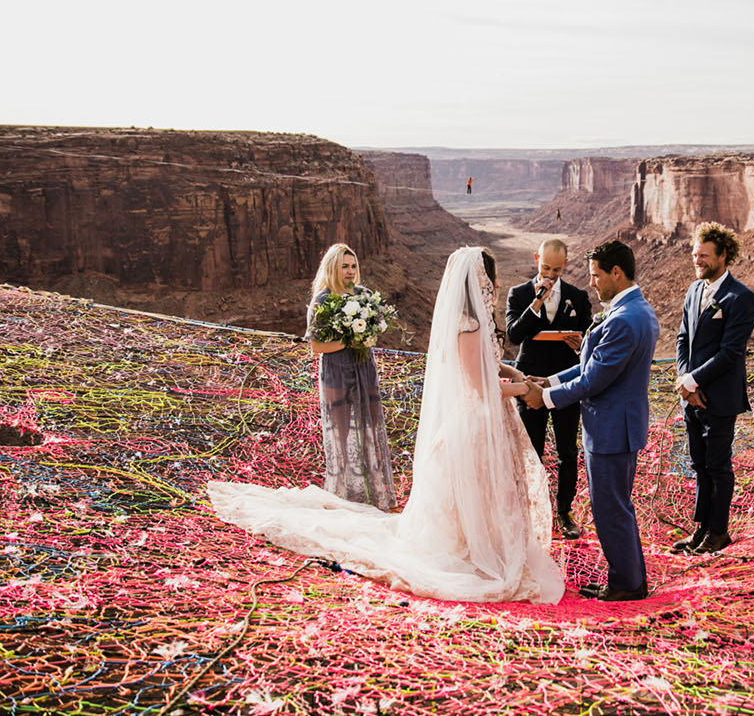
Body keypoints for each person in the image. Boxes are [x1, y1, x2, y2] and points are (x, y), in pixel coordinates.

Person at [208, 247, 564, 604]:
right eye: (492, 277)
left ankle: (486, 545)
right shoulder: (468, 326)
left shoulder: (476, 322)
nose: (496, 283)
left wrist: (515, 373)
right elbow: (478, 386)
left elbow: (489, 366)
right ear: (483, 280)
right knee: (473, 490)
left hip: (485, 418)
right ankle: (475, 549)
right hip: (473, 422)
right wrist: (525, 390)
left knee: (486, 490)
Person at [523, 240, 658, 601]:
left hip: (613, 429)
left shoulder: (626, 320)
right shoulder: (631, 311)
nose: (592, 282)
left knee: (610, 508)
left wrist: (544, 398)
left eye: (597, 275)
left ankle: (627, 584)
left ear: (616, 272)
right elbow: (588, 367)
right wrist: (548, 381)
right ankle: (629, 577)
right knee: (615, 506)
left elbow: (593, 380)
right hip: (615, 426)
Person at [672, 222, 754, 555]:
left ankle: (719, 532)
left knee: (718, 466)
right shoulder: (694, 290)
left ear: (724, 255)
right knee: (699, 465)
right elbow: (682, 339)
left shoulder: (740, 297)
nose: (699, 262)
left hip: (719, 399)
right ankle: (702, 529)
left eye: (705, 256)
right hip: (691, 397)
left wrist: (693, 381)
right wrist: (684, 380)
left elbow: (731, 352)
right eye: (696, 256)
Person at [505, 239, 592, 539]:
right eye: (545, 268)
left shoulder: (578, 297)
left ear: (565, 265)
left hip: (566, 385)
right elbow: (515, 335)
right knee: (532, 449)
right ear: (536, 259)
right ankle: (531, 511)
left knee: (568, 450)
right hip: (530, 383)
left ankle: (564, 512)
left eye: (556, 269)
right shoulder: (518, 294)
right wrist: (537, 303)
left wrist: (580, 343)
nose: (551, 275)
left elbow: (589, 338)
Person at [305, 244, 396, 511]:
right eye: (344, 266)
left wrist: (366, 337)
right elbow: (316, 346)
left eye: (353, 266)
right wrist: (349, 341)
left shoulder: (365, 296)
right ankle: (340, 496)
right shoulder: (322, 300)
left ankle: (372, 494)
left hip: (364, 369)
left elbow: (374, 333)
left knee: (369, 427)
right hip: (336, 372)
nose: (350, 271)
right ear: (332, 267)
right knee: (340, 433)